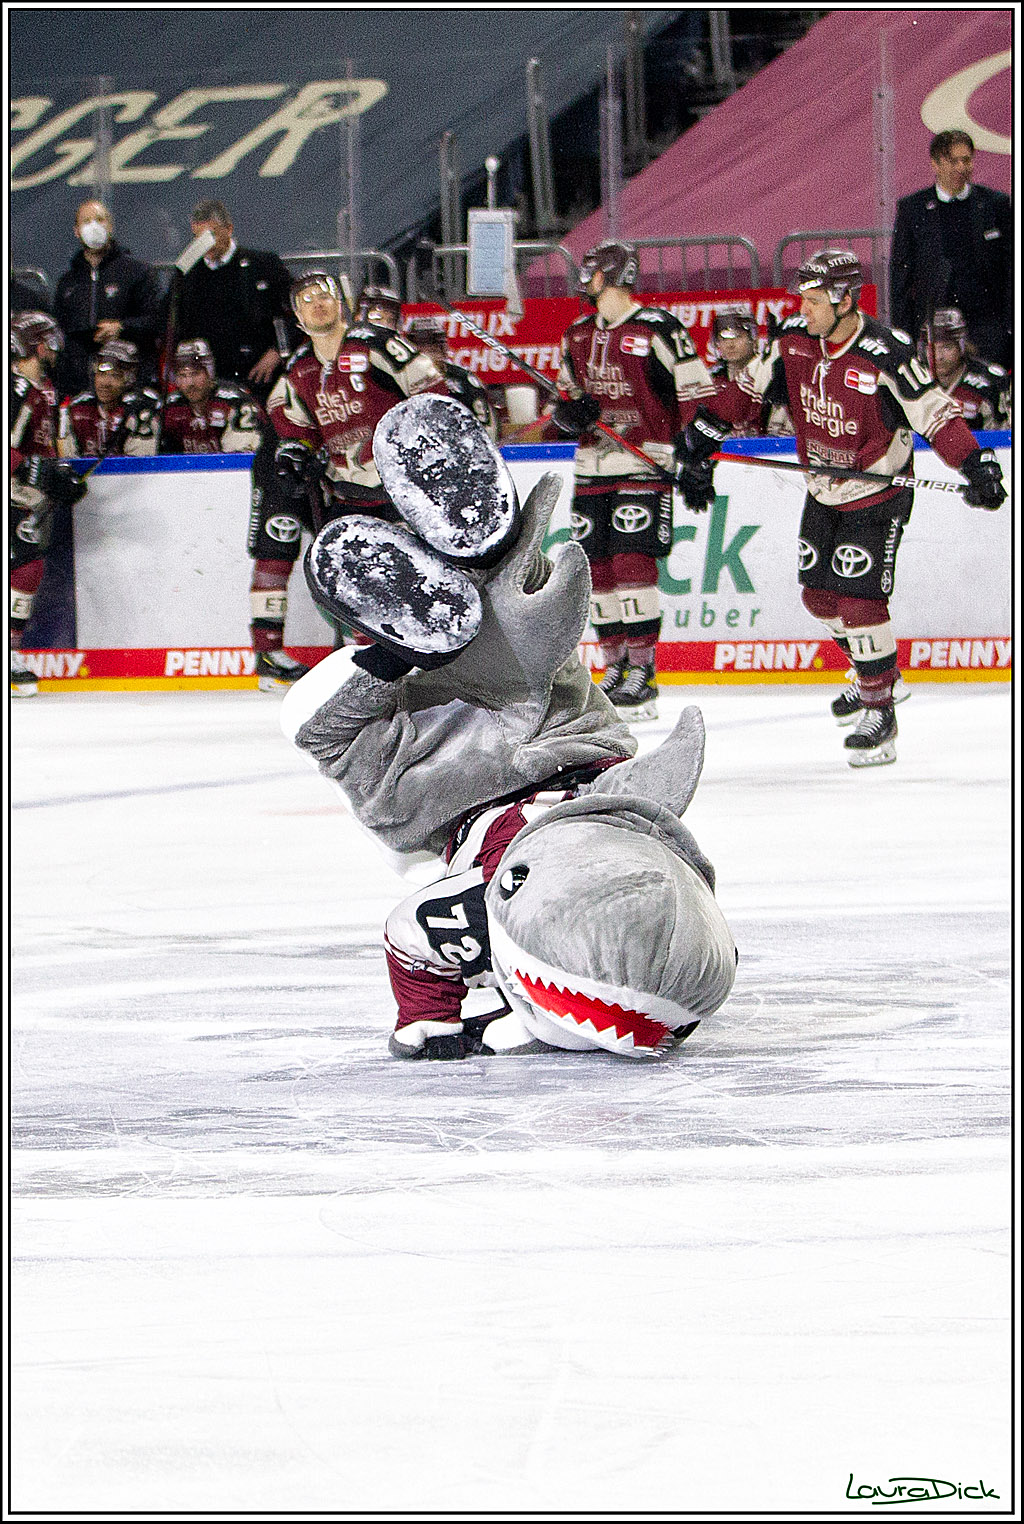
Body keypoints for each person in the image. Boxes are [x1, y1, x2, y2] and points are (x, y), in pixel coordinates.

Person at [280, 393, 737, 1061]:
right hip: (474, 782)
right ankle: (455, 599)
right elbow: (416, 932)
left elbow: (687, 871)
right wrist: (432, 1025)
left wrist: (435, 1023)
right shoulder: (514, 931)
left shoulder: (678, 953)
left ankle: (421, 632)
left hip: (530, 770)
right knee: (498, 670)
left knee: (518, 668)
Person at [675, 248, 1006, 767]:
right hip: (823, 489)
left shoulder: (885, 352)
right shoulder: (792, 341)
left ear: (844, 299)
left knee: (859, 602)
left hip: (879, 491)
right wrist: (702, 439)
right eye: (802, 299)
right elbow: (745, 391)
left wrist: (976, 465)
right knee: (820, 600)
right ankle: (878, 673)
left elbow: (936, 416)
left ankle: (880, 708)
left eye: (812, 300)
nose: (803, 309)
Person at [546, 239, 718, 722]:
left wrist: (697, 458)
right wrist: (570, 414)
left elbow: (697, 393)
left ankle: (643, 671)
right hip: (593, 467)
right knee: (596, 570)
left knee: (631, 564)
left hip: (646, 461)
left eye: (592, 272)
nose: (584, 279)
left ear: (609, 276)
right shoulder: (577, 334)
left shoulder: (658, 328)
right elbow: (565, 399)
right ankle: (614, 667)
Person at [267, 271, 446, 533]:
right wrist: (296, 452)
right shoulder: (299, 368)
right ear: (298, 317)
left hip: (405, 491)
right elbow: (295, 425)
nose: (317, 303)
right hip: (347, 498)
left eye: (324, 296)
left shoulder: (375, 342)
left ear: (340, 304)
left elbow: (432, 392)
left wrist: (423, 450)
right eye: (306, 300)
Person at [10, 312, 86, 696]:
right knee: (24, 566)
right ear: (40, 345)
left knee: (27, 567)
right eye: (51, 342)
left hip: (25, 497)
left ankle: (10, 650)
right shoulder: (12, 388)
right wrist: (32, 469)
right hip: (13, 492)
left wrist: (60, 476)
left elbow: (46, 447)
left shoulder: (46, 389)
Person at [890, 130, 1012, 369]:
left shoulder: (996, 204)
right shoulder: (912, 209)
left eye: (966, 160)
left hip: (987, 326)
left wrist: (1008, 327)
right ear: (935, 163)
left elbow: (1010, 269)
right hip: (933, 328)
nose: (960, 167)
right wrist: (903, 337)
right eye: (952, 160)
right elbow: (901, 277)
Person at [174, 199, 297, 400]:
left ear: (228, 229)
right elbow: (174, 323)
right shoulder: (187, 274)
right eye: (198, 238)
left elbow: (295, 312)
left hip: (258, 374)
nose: (206, 244)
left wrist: (277, 351)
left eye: (211, 235)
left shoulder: (263, 264)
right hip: (209, 383)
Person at [52, 200, 163, 398]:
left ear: (110, 226)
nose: (94, 226)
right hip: (80, 387)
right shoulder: (67, 282)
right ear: (76, 231)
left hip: (129, 385)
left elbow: (156, 320)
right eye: (86, 221)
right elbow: (60, 331)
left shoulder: (137, 272)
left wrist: (121, 327)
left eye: (100, 220)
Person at [57, 340, 161, 458]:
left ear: (130, 379)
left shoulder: (141, 410)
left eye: (115, 375)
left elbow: (138, 468)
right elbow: (66, 463)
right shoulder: (77, 408)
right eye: (101, 373)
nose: (105, 383)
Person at [404, 313, 498, 440]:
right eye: (422, 345)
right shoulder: (399, 379)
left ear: (443, 346)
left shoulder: (463, 379)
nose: (428, 350)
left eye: (434, 344)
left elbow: (485, 424)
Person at [919, 308, 1011, 432]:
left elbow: (1004, 438)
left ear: (961, 346)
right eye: (932, 348)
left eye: (947, 347)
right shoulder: (914, 379)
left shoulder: (990, 383)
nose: (938, 356)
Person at [708, 307, 793, 435]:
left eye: (737, 336)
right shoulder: (711, 378)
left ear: (752, 338)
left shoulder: (768, 372)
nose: (730, 345)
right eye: (724, 338)